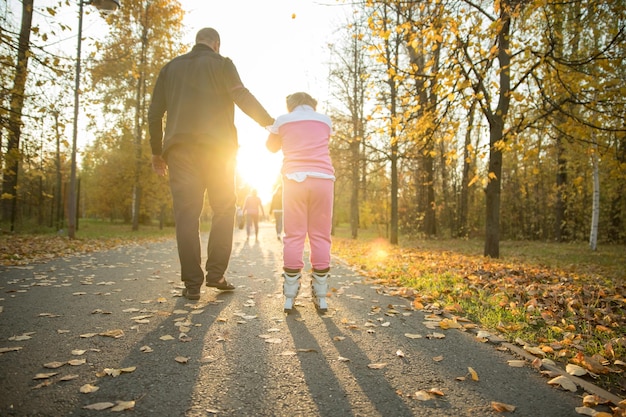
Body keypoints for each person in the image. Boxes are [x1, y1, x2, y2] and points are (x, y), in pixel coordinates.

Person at [148, 27, 274, 300]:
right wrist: (269, 123)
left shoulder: (170, 69)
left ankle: (192, 285)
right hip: (218, 151)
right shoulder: (223, 64)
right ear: (216, 44)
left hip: (180, 152)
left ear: (197, 43)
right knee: (224, 208)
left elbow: (155, 113)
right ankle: (216, 275)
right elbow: (241, 94)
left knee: (186, 215)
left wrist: (157, 153)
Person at [266, 92, 334, 313]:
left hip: (295, 180)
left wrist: (274, 129)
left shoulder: (283, 120)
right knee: (321, 235)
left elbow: (271, 148)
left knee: (294, 235)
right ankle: (321, 295)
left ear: (290, 106)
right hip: (323, 180)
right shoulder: (325, 120)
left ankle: (289, 295)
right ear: (313, 105)